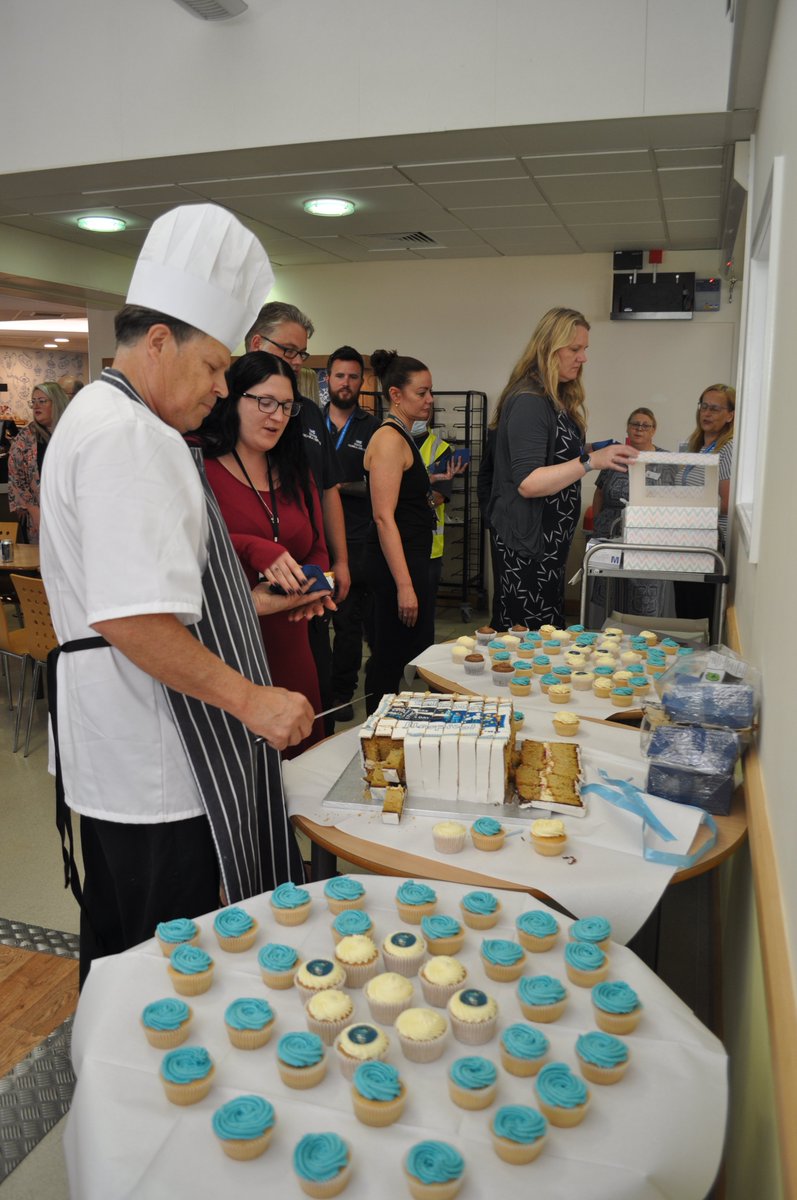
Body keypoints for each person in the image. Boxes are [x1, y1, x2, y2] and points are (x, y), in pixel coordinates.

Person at [39, 204, 315, 986]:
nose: (223, 390)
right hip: (157, 760)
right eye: (215, 367)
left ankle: (104, 1061)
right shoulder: (136, 437)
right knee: (169, 975)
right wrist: (253, 701)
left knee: (119, 951)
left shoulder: (93, 413)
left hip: (112, 749)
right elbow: (132, 619)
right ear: (158, 341)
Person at [198, 351, 334, 757]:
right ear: (232, 399)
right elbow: (195, 545)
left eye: (287, 406)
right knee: (245, 769)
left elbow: (317, 547)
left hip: (293, 642)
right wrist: (254, 547)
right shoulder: (201, 471)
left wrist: (314, 588)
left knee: (304, 767)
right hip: (230, 651)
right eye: (265, 402)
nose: (277, 416)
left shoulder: (294, 471)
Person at [487, 307, 637, 629]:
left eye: (585, 349)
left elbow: (549, 454)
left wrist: (591, 449)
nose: (583, 358)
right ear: (549, 348)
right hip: (528, 546)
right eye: (575, 349)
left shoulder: (552, 396)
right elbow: (528, 481)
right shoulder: (530, 401)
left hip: (548, 543)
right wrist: (590, 462)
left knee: (545, 631)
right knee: (526, 637)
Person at [245, 302, 349, 731]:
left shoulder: (306, 415)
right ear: (256, 343)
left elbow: (325, 492)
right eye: (288, 350)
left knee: (313, 696)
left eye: (302, 353)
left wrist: (336, 562)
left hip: (305, 586)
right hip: (248, 611)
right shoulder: (219, 423)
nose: (297, 361)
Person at [363, 348, 437, 712]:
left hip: (411, 558)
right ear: (395, 394)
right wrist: (405, 586)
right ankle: (379, 729)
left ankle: (398, 724)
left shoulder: (403, 436)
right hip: (397, 566)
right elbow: (383, 517)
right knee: (390, 656)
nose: (430, 399)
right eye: (421, 393)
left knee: (403, 650)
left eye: (430, 391)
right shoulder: (390, 439)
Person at [322, 346, 380, 720]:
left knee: (347, 621)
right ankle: (317, 689)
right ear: (328, 379)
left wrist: (341, 487)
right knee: (313, 621)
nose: (346, 383)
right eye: (340, 375)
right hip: (314, 537)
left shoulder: (372, 428)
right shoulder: (308, 422)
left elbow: (380, 485)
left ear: (361, 381)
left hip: (356, 538)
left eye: (353, 377)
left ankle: (341, 696)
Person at [590, 406, 674, 622]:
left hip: (648, 538)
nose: (639, 429)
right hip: (610, 532)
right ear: (627, 428)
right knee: (609, 591)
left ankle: (643, 633)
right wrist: (598, 522)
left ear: (654, 430)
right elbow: (600, 492)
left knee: (642, 596)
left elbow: (673, 499)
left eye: (645, 425)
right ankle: (605, 631)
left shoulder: (665, 460)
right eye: (635, 424)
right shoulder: (614, 455)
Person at [675, 383, 736, 621]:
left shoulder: (727, 449)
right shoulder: (698, 447)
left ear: (730, 415)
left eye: (715, 409)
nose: (707, 413)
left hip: (708, 547)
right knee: (685, 614)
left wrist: (686, 509)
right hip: (687, 543)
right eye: (704, 406)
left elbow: (726, 502)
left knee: (698, 617)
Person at [412, 413, 468, 611]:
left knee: (424, 609)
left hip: (429, 545)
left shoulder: (441, 448)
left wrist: (401, 499)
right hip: (394, 543)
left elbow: (437, 497)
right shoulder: (391, 441)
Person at [8, 382, 71, 543]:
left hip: (70, 513)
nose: (36, 406)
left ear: (57, 402)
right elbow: (15, 478)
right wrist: (33, 509)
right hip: (38, 516)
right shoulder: (25, 437)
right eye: (33, 402)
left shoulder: (72, 432)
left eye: (42, 401)